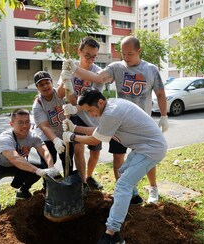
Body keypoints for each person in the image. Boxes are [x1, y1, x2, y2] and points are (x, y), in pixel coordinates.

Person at [62, 35, 168, 203]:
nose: (126, 58)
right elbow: (97, 78)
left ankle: (153, 187)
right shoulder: (116, 68)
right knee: (118, 157)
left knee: (147, 157)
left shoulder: (151, 69)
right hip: (118, 121)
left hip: (141, 123)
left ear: (139, 51)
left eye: (130, 54)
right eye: (123, 54)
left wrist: (163, 115)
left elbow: (161, 93)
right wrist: (74, 69)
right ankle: (123, 190)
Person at [62, 89, 167, 244]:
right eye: (87, 112)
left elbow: (94, 140)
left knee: (123, 184)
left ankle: (112, 234)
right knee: (122, 171)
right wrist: (74, 128)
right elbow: (99, 131)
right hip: (143, 147)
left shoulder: (112, 112)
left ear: (100, 102)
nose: (90, 115)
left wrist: (72, 136)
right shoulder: (112, 107)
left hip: (151, 149)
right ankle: (134, 198)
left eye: (90, 110)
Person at [0, 108, 59, 218]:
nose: (25, 126)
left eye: (27, 122)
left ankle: (23, 190)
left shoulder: (32, 136)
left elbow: (45, 151)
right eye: (21, 122)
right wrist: (38, 171)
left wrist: (51, 167)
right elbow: (15, 159)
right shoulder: (5, 138)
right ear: (12, 124)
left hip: (17, 166)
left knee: (41, 166)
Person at [58, 36, 104, 189]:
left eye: (93, 56)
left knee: (95, 151)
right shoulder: (69, 68)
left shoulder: (98, 73)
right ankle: (83, 182)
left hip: (92, 116)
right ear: (79, 51)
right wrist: (66, 82)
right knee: (78, 148)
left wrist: (76, 106)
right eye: (87, 55)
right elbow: (65, 98)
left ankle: (90, 176)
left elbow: (92, 103)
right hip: (75, 115)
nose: (90, 60)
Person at [32, 71, 75, 178]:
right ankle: (47, 187)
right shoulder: (38, 105)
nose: (45, 86)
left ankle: (69, 184)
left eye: (47, 82)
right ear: (37, 87)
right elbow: (44, 126)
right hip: (47, 137)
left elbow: (62, 88)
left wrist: (65, 78)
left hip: (65, 133)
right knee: (49, 161)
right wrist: (55, 140)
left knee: (67, 160)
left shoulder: (60, 93)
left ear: (52, 82)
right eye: (41, 84)